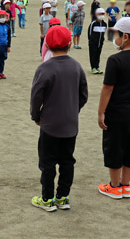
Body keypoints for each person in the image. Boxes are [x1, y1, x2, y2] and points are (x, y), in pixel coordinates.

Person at [30, 25, 88, 212]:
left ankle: (47, 199)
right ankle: (62, 197)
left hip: (49, 125)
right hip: (70, 124)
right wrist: (73, 109)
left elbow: (36, 97)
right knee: (67, 161)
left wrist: (36, 115)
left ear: (47, 44)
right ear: (69, 43)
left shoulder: (44, 68)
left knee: (47, 162)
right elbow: (83, 94)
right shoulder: (76, 66)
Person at [97, 17, 130, 199]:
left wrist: (101, 112)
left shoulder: (115, 60)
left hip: (117, 113)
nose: (115, 38)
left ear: (126, 37)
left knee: (114, 148)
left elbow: (108, 88)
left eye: (117, 34)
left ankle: (114, 186)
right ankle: (125, 186)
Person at [0, 10, 12, 79]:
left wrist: (8, 46)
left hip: (4, 45)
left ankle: (1, 72)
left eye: (3, 16)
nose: (1, 18)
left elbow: (9, 37)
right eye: (0, 17)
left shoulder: (7, 26)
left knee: (2, 60)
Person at [88, 8, 107, 74]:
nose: (102, 15)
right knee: (93, 54)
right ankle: (93, 67)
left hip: (100, 43)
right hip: (93, 43)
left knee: (98, 55)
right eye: (100, 14)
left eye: (103, 14)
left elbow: (103, 33)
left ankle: (97, 67)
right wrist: (91, 41)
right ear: (96, 14)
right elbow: (90, 33)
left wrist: (102, 40)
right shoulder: (93, 23)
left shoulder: (105, 24)